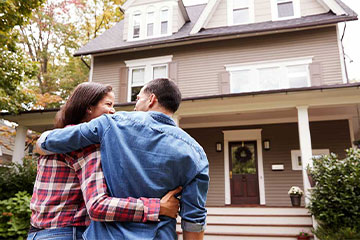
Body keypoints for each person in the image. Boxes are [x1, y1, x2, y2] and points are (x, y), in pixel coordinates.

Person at [38, 78, 209, 240]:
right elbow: (194, 219)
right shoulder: (196, 153)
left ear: (151, 99)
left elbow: (55, 140)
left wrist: (41, 142)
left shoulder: (112, 123)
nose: (134, 107)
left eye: (138, 99)